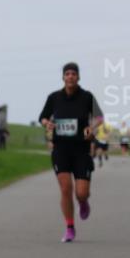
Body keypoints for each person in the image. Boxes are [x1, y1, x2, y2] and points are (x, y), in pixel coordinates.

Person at [38, 62, 102, 243]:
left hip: (81, 150)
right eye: (67, 74)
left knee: (81, 192)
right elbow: (42, 116)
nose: (70, 76)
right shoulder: (54, 97)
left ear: (78, 77)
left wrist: (92, 127)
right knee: (66, 189)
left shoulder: (87, 97)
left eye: (74, 73)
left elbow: (99, 117)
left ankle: (83, 202)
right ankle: (70, 227)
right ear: (63, 77)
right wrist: (47, 123)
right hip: (61, 149)